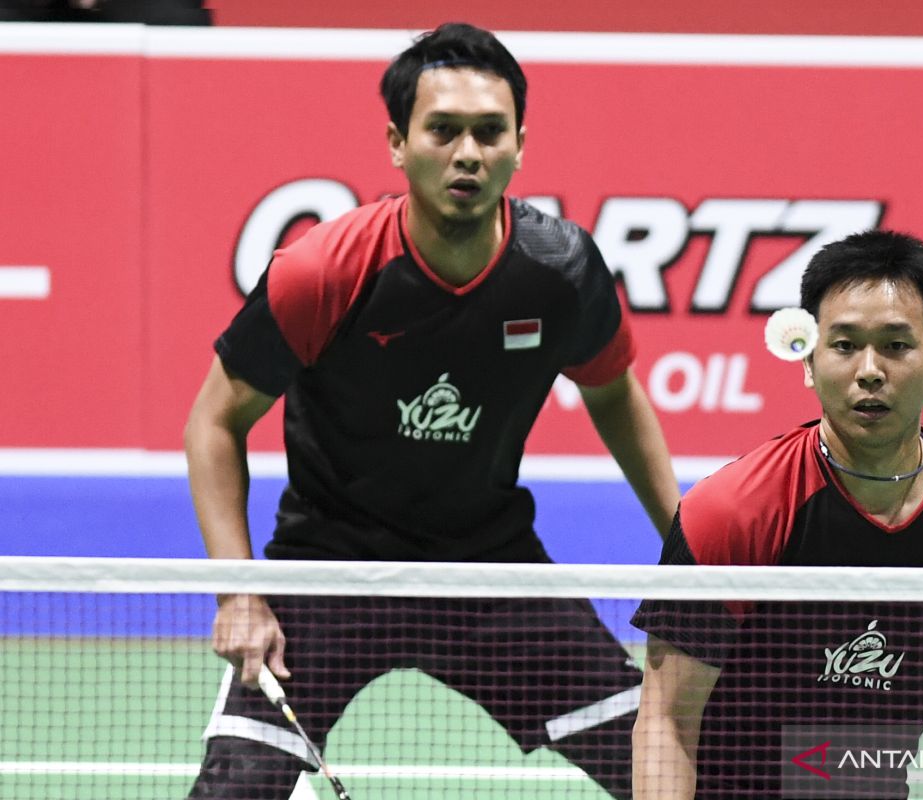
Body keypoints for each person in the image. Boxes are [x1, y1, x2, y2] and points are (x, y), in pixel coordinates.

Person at [183, 22, 679, 800]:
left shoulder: (560, 273)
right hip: (329, 567)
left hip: (487, 564)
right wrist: (238, 595)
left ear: (521, 144)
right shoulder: (323, 272)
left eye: (490, 132)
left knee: (665, 769)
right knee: (234, 789)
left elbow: (614, 393)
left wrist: (685, 546)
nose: (468, 153)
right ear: (397, 142)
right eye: (442, 130)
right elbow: (214, 422)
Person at [630, 230, 923, 799]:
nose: (869, 370)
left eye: (896, 346)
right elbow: (667, 721)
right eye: (845, 345)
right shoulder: (736, 509)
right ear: (809, 360)